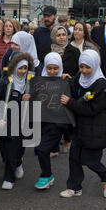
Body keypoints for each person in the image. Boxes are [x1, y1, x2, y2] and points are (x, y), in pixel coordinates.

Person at [59, 49, 106, 199]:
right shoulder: (80, 76)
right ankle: (74, 186)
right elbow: (75, 88)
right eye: (81, 66)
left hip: (93, 129)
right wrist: (67, 79)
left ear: (95, 65)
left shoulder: (102, 85)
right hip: (78, 127)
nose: (84, 71)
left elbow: (91, 109)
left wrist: (70, 102)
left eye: (87, 67)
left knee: (90, 160)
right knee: (74, 157)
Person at [0, 52, 34, 190]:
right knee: (5, 149)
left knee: (15, 148)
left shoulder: (31, 82)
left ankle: (9, 177)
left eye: (25, 68)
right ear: (14, 67)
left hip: (21, 122)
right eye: (20, 68)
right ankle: (15, 162)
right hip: (4, 121)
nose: (22, 71)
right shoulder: (5, 82)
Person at [34, 53, 74, 189]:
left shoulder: (66, 81)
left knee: (41, 149)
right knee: (40, 149)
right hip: (43, 121)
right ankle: (47, 174)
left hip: (57, 123)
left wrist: (68, 80)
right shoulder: (40, 81)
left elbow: (75, 94)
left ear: (60, 67)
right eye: (49, 68)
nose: (52, 71)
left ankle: (46, 175)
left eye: (55, 68)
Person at [49, 25, 80, 156]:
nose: (61, 37)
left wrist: (69, 77)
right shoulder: (49, 50)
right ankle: (53, 147)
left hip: (68, 87)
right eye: (58, 35)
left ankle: (67, 138)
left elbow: (79, 70)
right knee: (52, 117)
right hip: (51, 87)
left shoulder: (73, 51)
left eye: (63, 34)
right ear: (53, 37)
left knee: (64, 116)